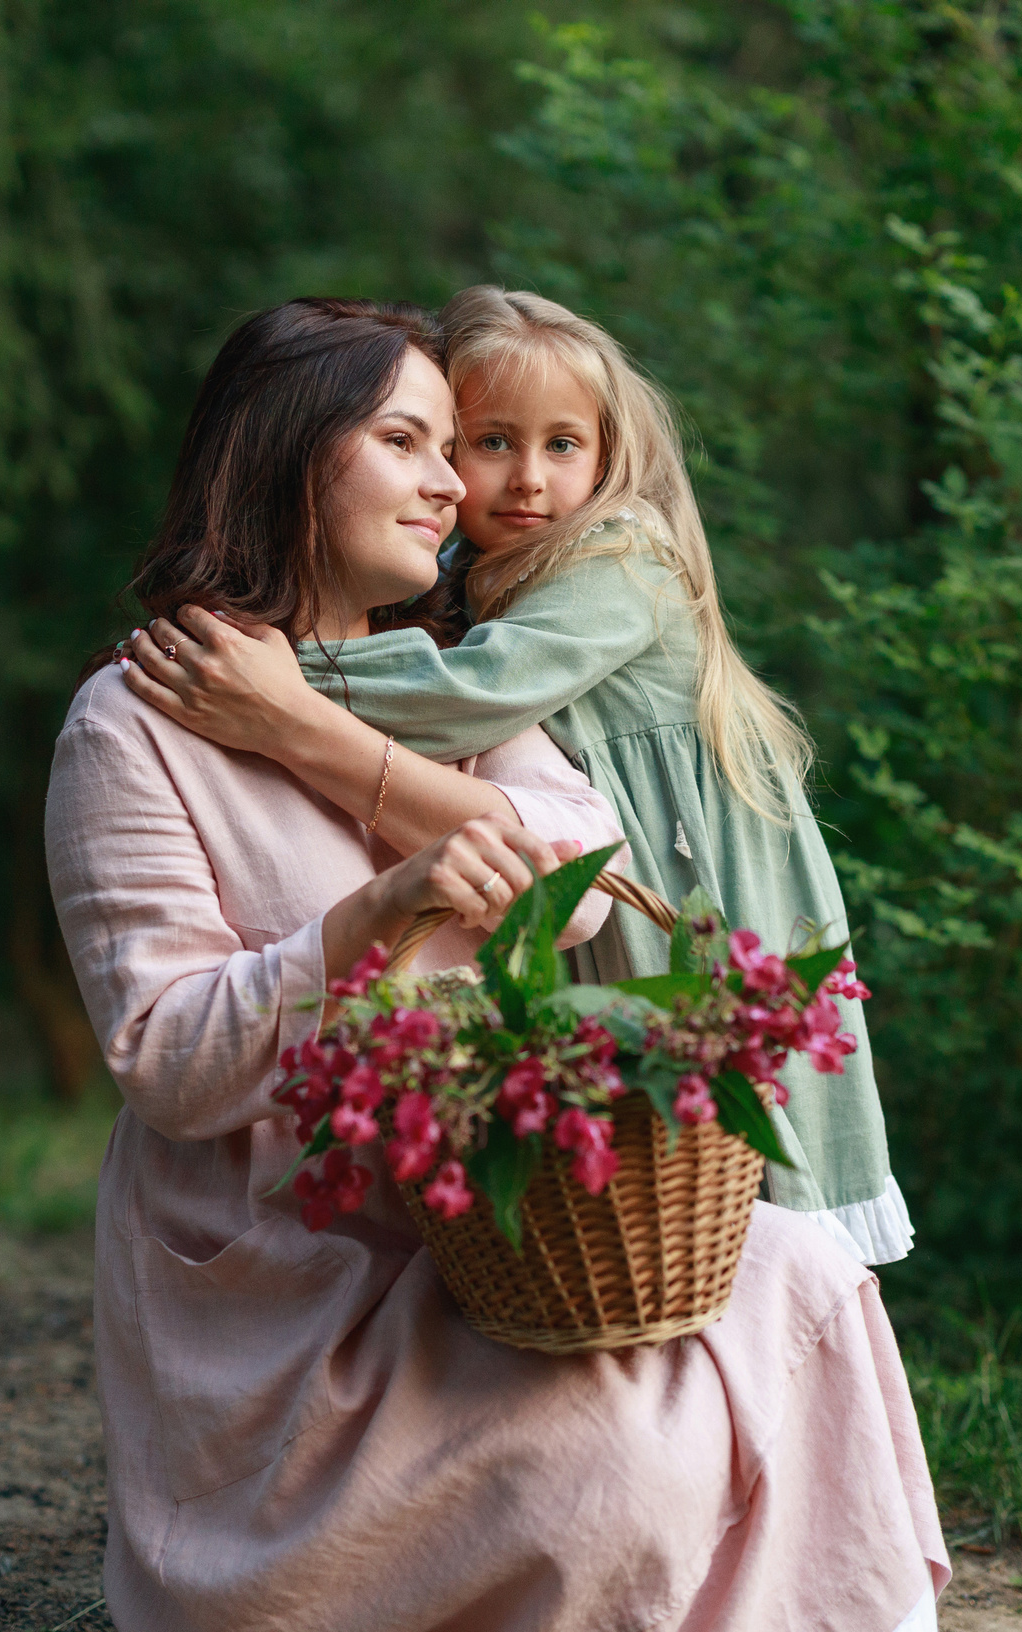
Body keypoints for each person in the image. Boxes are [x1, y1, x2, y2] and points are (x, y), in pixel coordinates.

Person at [53, 297, 950, 1632]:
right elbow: (167, 1060)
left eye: (446, 447)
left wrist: (313, 736)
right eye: (409, 441)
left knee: (805, 1277)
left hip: (493, 1252)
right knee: (626, 1470)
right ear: (288, 451)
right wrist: (377, 916)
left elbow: (577, 884)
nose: (452, 486)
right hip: (293, 1305)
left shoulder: (450, 692)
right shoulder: (137, 723)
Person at [118, 286, 911, 1271]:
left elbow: (472, 692)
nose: (527, 478)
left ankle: (775, 1298)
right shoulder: (471, 580)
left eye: (563, 445)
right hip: (604, 878)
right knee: (635, 1139)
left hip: (689, 870)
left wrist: (283, 679)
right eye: (489, 442)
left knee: (731, 1130)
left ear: (607, 456)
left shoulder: (620, 556)